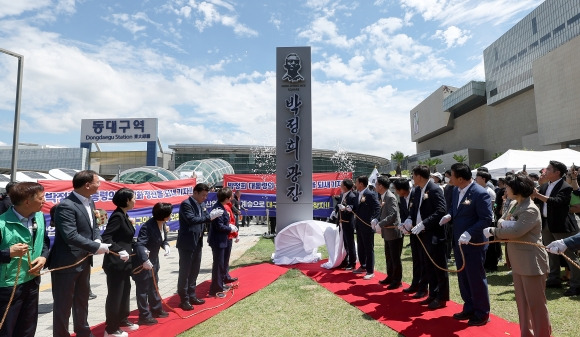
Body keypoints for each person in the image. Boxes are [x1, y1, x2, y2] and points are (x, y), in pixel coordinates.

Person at [483, 174, 551, 337]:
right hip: (518, 260)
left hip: (531, 261)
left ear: (518, 189)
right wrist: (501, 226)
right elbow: (503, 220)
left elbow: (516, 231)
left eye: (508, 186)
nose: (505, 188)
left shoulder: (530, 209)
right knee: (522, 304)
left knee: (536, 305)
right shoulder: (514, 203)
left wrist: (494, 231)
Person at [48, 170, 111, 337]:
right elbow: (70, 235)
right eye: (97, 182)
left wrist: (97, 240)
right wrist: (95, 247)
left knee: (82, 300)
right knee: (63, 304)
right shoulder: (66, 205)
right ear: (87, 185)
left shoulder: (90, 202)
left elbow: (94, 227)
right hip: (67, 262)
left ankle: (83, 331)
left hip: (84, 259)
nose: (100, 185)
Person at [444, 163, 492, 326]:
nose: (449, 178)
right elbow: (454, 208)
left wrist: (470, 232)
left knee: (475, 277)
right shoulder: (456, 191)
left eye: (451, 175)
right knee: (463, 276)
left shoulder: (480, 193)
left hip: (474, 242)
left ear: (461, 178)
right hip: (459, 241)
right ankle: (469, 307)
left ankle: (482, 312)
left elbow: (486, 219)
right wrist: (450, 215)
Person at [0, 182, 50, 337]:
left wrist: (43, 257)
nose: (44, 201)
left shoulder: (39, 217)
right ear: (27, 201)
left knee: (27, 328)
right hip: (8, 287)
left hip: (32, 281)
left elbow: (45, 242)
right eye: (41, 198)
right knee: (6, 330)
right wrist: (8, 252)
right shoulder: (2, 223)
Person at [400, 165, 448, 310]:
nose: (412, 178)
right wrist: (409, 221)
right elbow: (413, 209)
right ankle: (432, 294)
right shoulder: (416, 190)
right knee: (428, 267)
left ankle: (442, 298)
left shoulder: (434, 189)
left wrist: (424, 224)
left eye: (413, 175)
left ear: (419, 176)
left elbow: (441, 210)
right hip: (421, 235)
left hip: (433, 234)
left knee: (438, 267)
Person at [532, 160, 580, 295]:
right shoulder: (545, 185)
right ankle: (554, 278)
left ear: (557, 172)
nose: (545, 171)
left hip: (560, 225)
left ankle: (577, 284)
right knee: (550, 251)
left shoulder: (565, 186)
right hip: (547, 223)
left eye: (548, 169)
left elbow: (558, 202)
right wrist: (532, 194)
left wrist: (538, 195)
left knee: (568, 254)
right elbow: (537, 200)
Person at [176, 183, 223, 310]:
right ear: (195, 193)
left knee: (195, 270)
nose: (205, 198)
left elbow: (205, 219)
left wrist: (211, 217)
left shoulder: (201, 204)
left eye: (206, 195)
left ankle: (192, 295)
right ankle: (184, 299)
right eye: (203, 195)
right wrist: (209, 217)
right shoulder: (186, 204)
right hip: (187, 242)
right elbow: (192, 219)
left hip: (198, 241)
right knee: (185, 271)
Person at [101, 188, 139, 337]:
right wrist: (119, 250)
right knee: (115, 294)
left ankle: (122, 319)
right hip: (115, 263)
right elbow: (107, 237)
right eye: (133, 198)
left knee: (125, 292)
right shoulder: (117, 216)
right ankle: (111, 328)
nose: (135, 201)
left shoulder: (124, 215)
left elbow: (126, 238)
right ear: (127, 200)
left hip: (125, 263)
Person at [133, 202, 172, 326]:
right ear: (163, 215)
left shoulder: (162, 224)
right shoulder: (147, 227)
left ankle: (156, 309)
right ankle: (144, 315)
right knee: (143, 289)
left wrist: (165, 245)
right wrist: (144, 259)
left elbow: (162, 239)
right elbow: (139, 244)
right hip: (143, 263)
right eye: (169, 213)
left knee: (154, 286)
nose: (171, 215)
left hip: (154, 261)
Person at [394, 178, 428, 297]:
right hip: (412, 232)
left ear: (402, 189)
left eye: (396, 190)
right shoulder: (402, 198)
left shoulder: (416, 194)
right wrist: (403, 225)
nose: (396, 192)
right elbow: (404, 214)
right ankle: (415, 284)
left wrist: (411, 222)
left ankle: (423, 288)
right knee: (416, 260)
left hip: (422, 230)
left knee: (423, 260)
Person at [372, 176, 403, 289]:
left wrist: (380, 223)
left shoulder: (390, 197)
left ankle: (397, 280)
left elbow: (393, 214)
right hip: (387, 232)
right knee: (388, 256)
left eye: (376, 184)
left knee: (395, 258)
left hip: (393, 232)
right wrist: (377, 219)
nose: (375, 187)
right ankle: (390, 277)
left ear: (381, 186)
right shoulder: (383, 196)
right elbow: (384, 213)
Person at [207, 188, 238, 298]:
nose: (231, 198)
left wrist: (229, 226)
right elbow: (219, 226)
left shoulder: (221, 206)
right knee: (218, 266)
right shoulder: (218, 208)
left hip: (222, 240)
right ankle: (215, 289)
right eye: (230, 196)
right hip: (218, 240)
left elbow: (223, 223)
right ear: (226, 198)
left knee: (222, 264)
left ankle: (220, 284)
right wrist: (230, 229)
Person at [348, 175, 380, 280]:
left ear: (361, 184)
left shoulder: (370, 194)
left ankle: (370, 270)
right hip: (359, 225)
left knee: (368, 248)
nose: (355, 184)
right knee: (361, 247)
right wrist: (351, 207)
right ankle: (363, 266)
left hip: (367, 225)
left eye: (356, 182)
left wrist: (374, 219)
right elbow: (357, 207)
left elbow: (377, 207)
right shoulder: (358, 194)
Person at [335, 179, 358, 270]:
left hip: (348, 222)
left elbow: (354, 208)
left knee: (350, 243)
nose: (340, 186)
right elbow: (338, 204)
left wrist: (346, 208)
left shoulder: (352, 196)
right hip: (341, 222)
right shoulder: (341, 195)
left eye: (341, 185)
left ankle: (352, 262)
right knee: (344, 243)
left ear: (345, 186)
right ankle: (345, 260)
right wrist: (335, 211)